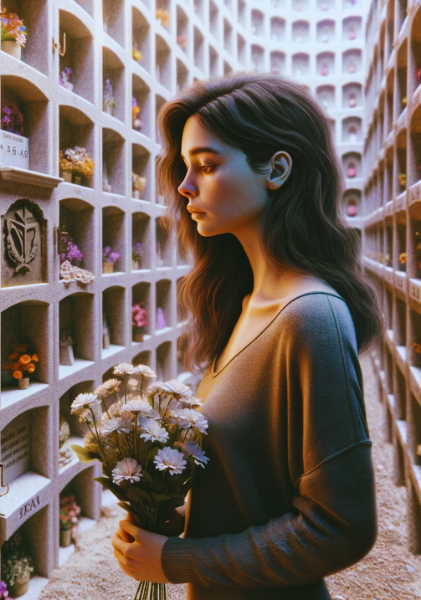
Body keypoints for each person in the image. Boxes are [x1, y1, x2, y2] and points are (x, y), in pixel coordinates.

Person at [111, 72, 383, 599]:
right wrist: (174, 506)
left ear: (276, 169)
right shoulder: (244, 304)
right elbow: (260, 476)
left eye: (206, 166)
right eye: (185, 168)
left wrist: (177, 560)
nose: (185, 186)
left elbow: (342, 526)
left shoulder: (311, 318)